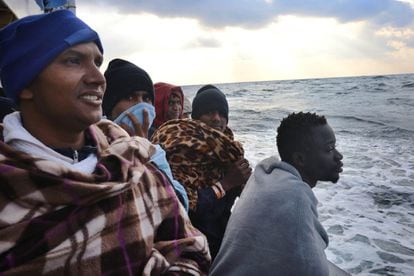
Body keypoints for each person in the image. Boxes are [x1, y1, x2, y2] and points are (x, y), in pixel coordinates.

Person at [0, 10, 210, 275]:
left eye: (97, 63)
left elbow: (190, 247)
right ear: (26, 84)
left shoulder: (133, 159)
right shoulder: (10, 183)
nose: (98, 79)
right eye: (73, 61)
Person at [210, 112, 345, 276]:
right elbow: (314, 270)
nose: (339, 156)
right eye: (329, 149)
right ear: (300, 159)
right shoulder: (294, 196)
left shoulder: (266, 175)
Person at [151, 84, 252, 259]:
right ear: (196, 118)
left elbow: (242, 201)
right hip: (190, 248)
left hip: (223, 241)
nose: (216, 118)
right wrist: (226, 184)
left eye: (222, 114)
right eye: (209, 112)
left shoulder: (228, 150)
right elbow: (183, 208)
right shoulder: (178, 146)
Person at [102, 58, 189, 211]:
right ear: (109, 106)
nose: (141, 105)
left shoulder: (156, 150)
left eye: (146, 98)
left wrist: (144, 147)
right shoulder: (95, 147)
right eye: (130, 97)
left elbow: (179, 204)